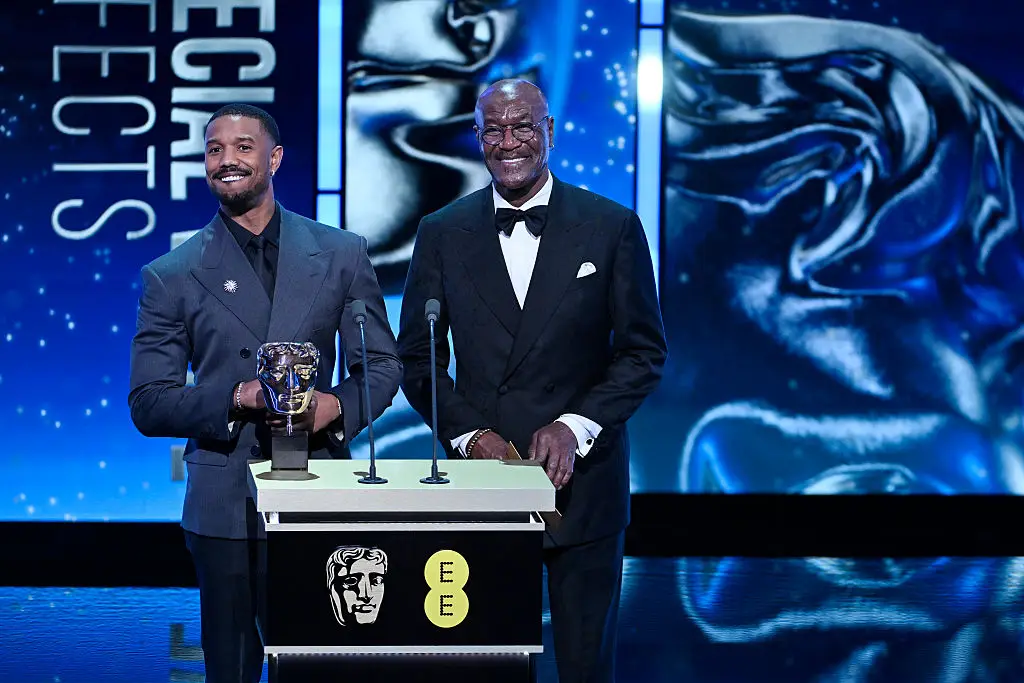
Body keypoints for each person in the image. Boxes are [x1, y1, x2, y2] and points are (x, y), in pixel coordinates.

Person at [397, 79, 667, 683]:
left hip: (585, 491)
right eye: (494, 129)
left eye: (523, 126)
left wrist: (577, 426)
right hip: (484, 489)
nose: (509, 141)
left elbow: (643, 352)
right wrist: (469, 437)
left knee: (585, 667)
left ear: (550, 131)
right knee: (490, 665)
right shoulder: (443, 231)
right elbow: (418, 358)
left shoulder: (610, 226)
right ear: (478, 139)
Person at [128, 103, 402, 683]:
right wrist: (236, 397)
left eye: (243, 146)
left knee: (315, 663)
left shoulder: (341, 252)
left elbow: (379, 364)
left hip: (318, 490)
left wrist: (335, 408)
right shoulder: (171, 274)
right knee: (230, 669)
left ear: (274, 158)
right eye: (214, 149)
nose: (227, 160)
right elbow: (149, 401)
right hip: (224, 501)